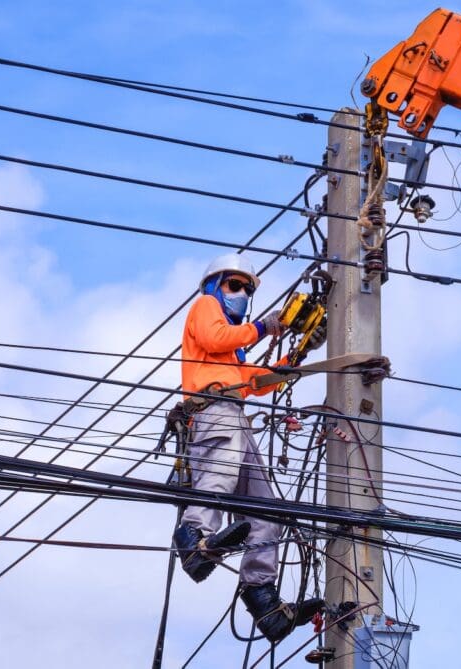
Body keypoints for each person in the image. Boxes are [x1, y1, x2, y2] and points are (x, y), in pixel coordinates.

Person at [172, 252, 325, 643]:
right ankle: (195, 539)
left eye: (246, 289)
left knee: (265, 510)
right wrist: (262, 327)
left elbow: (257, 382)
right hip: (211, 410)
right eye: (234, 285)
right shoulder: (205, 309)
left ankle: (263, 598)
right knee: (220, 473)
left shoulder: (233, 352)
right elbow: (213, 336)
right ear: (214, 286)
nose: (240, 293)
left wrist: (297, 356)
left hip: (234, 412)